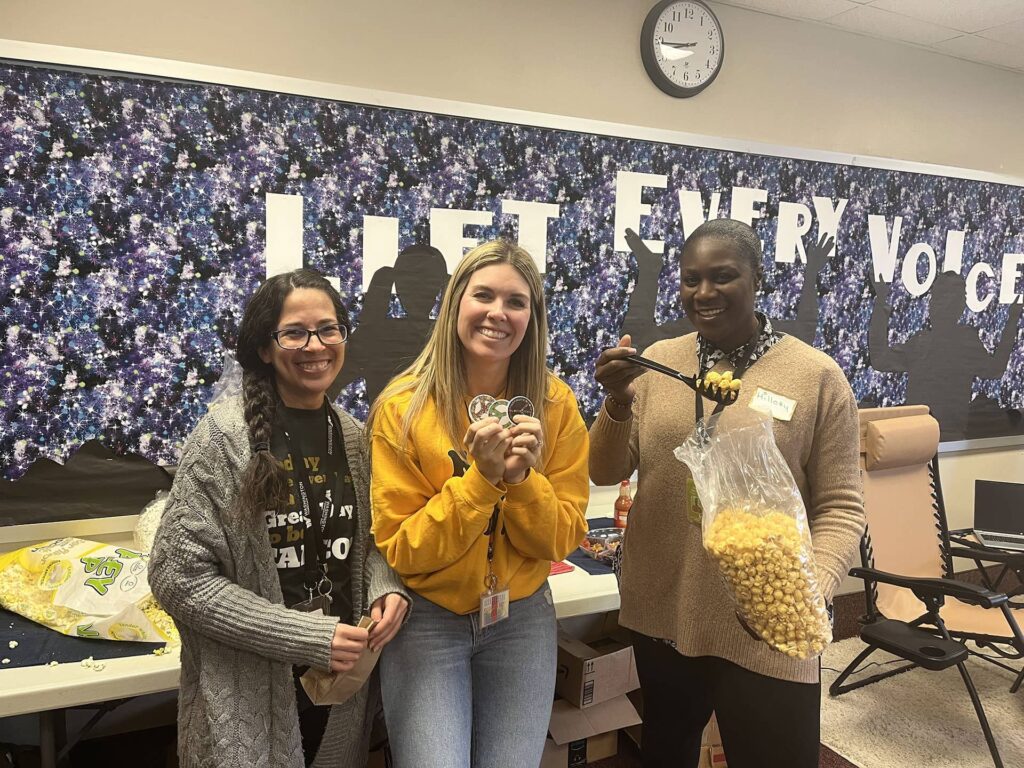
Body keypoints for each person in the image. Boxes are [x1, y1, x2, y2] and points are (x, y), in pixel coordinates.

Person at [589, 219, 865, 768]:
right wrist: (617, 402)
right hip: (662, 605)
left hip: (766, 618)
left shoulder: (815, 377)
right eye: (691, 279)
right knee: (665, 750)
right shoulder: (660, 361)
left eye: (723, 276)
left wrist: (809, 592)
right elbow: (604, 471)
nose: (704, 293)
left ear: (758, 278)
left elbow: (842, 505)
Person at [149, 268, 409, 768]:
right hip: (247, 699)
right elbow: (176, 578)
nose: (316, 345)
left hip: (338, 688)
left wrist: (385, 588)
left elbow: (374, 541)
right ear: (265, 347)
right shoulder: (223, 440)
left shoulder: (354, 436)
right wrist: (306, 636)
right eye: (295, 332)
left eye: (328, 329)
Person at [367, 239, 590, 768]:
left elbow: (562, 539)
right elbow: (404, 549)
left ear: (532, 318)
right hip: (428, 621)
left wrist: (522, 481)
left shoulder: (556, 406)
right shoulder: (402, 408)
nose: (498, 313)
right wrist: (482, 483)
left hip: (521, 617)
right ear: (454, 305)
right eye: (483, 295)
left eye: (516, 302)